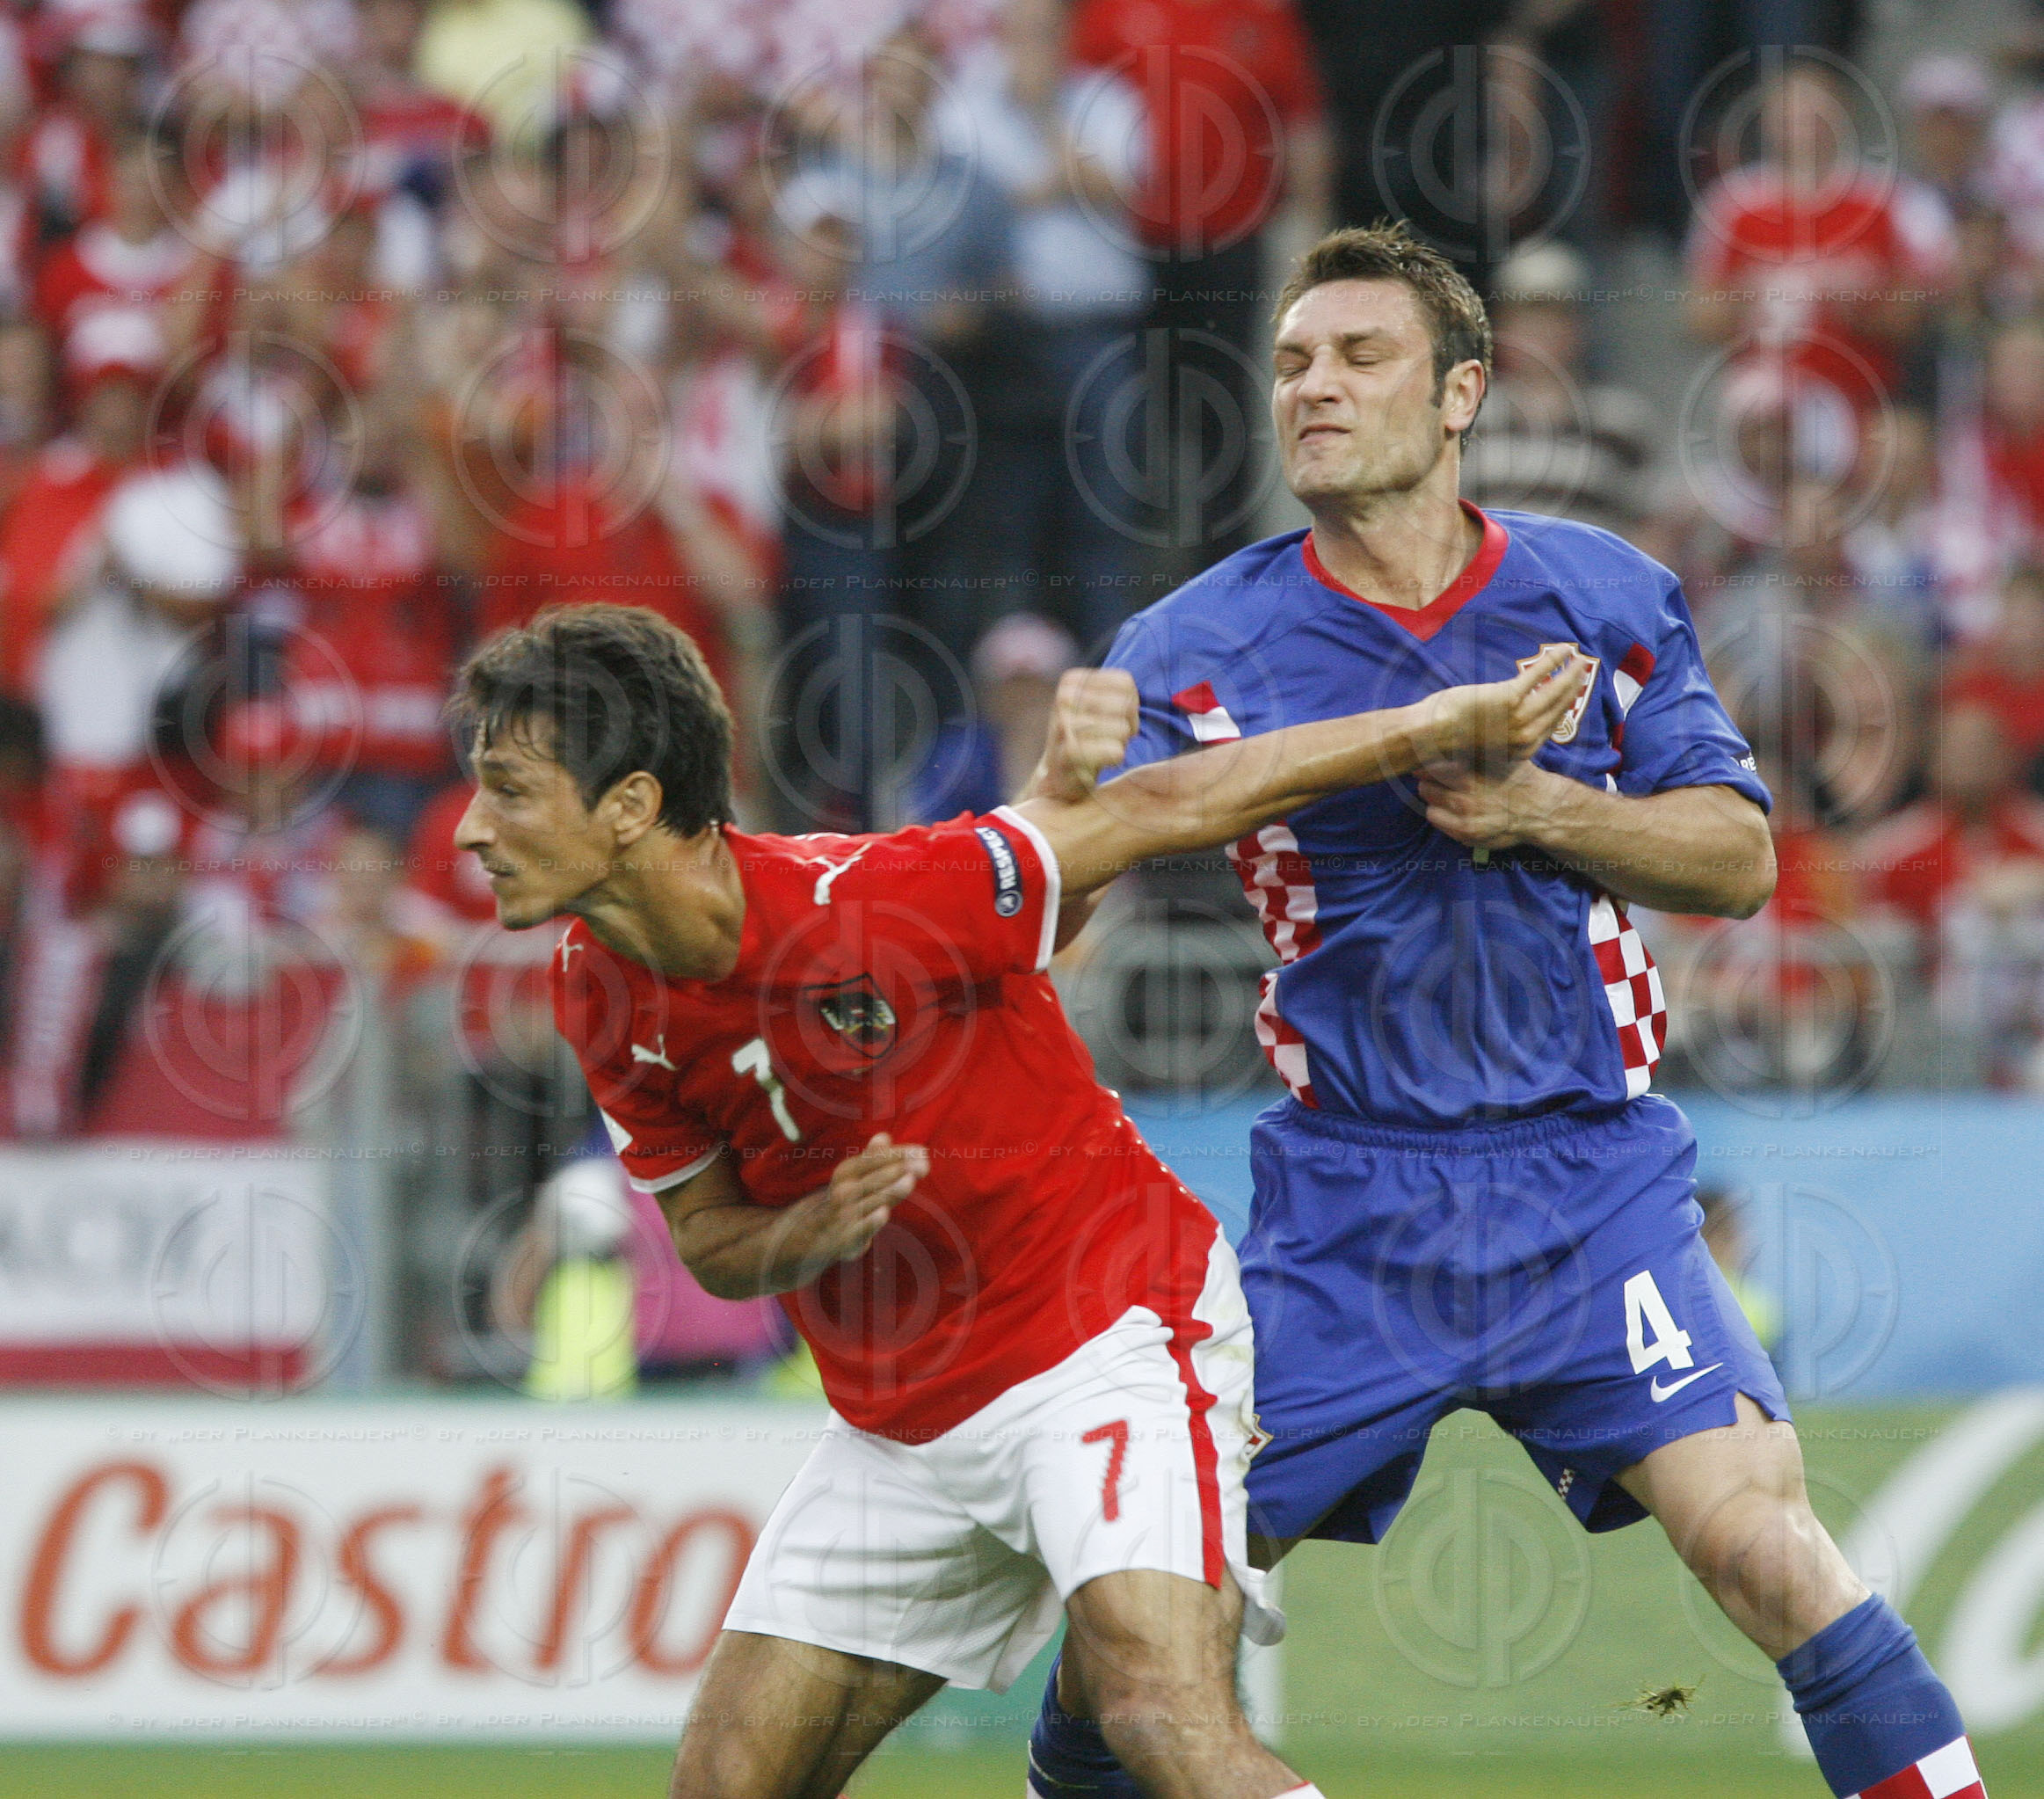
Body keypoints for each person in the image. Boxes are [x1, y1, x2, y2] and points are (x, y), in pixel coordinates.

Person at [1024, 222, 1991, 1799]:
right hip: (1347, 1199)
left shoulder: (1599, 595)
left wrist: (1540, 806)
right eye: (1288, 363)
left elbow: (1738, 855)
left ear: (1461, 390)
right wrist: (1062, 789)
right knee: (1148, 1611)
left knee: (1766, 1547)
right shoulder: (1193, 645)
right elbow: (1051, 891)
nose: (1310, 388)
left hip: (1589, 1187)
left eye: (1357, 357)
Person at [447, 601, 1585, 1799]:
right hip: (900, 1423)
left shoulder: (869, 899)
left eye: (511, 791)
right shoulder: (595, 989)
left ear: (627, 808)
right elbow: (712, 1246)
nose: (474, 827)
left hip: (1099, 1333)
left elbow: (1166, 807)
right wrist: (806, 1230)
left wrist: (1429, 725)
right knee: (725, 1781)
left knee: (1157, 1709)